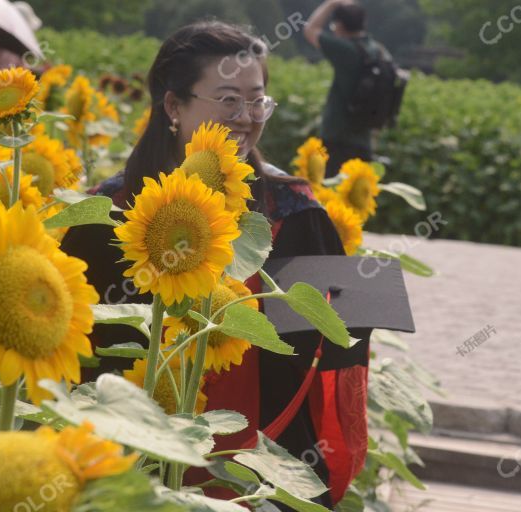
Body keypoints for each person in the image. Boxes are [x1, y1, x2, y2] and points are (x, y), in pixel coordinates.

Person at [60, 21, 369, 507]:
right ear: (173, 106)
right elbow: (75, 358)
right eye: (227, 99)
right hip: (128, 474)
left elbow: (338, 358)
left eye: (257, 100)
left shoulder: (296, 213)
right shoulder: (111, 215)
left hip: (257, 475)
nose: (246, 116)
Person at [304, 0, 382, 177]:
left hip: (337, 139)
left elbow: (310, 30)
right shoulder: (375, 50)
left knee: (331, 197)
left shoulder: (346, 49)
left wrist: (332, 3)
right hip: (364, 142)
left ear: (339, 25)